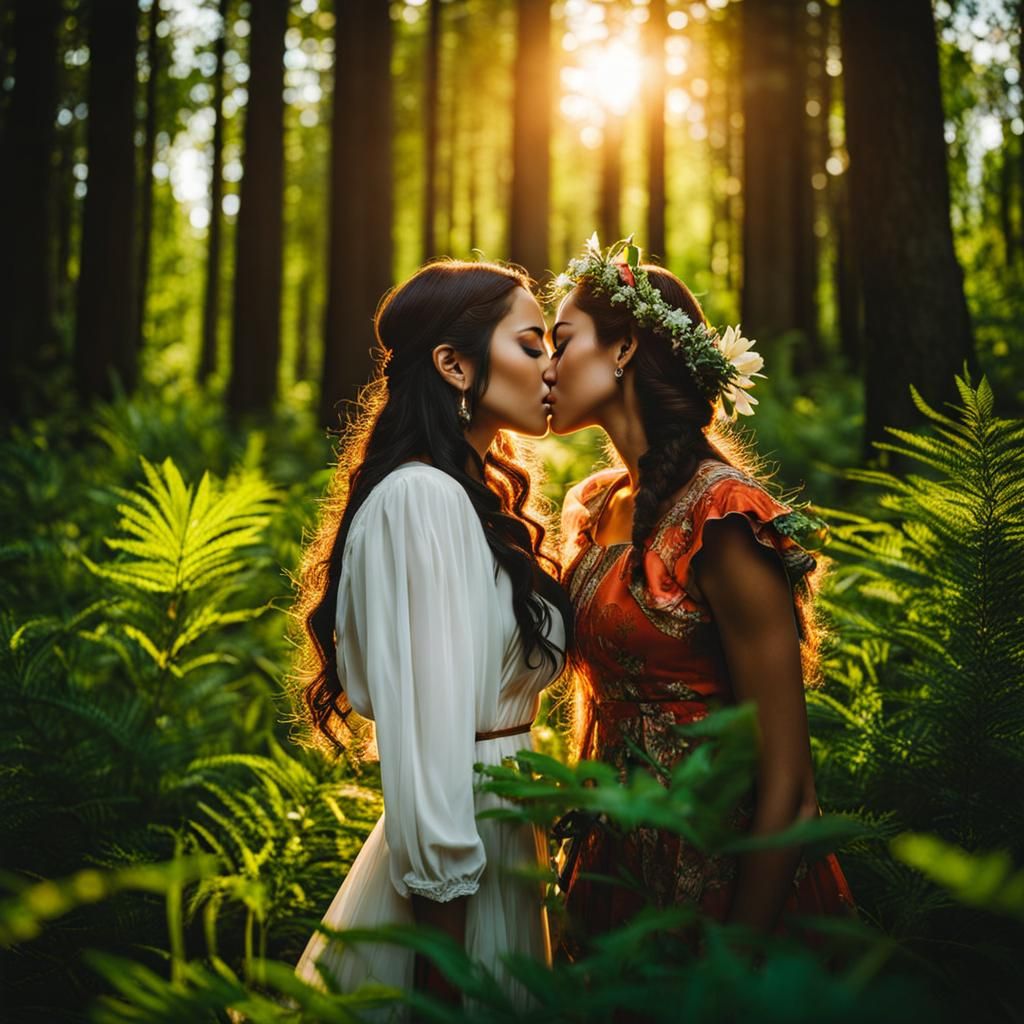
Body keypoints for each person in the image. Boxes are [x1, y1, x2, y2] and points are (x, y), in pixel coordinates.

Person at [543, 236, 854, 951]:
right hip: (611, 868)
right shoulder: (594, 507)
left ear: (622, 348)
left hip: (719, 877)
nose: (546, 367)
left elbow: (790, 787)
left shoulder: (724, 519)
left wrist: (732, 962)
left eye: (561, 341)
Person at [292, 260, 572, 1011]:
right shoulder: (422, 500)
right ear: (454, 364)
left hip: (505, 847)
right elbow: (430, 752)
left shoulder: (470, 497)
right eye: (532, 344)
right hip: (456, 888)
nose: (554, 365)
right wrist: (444, 974)